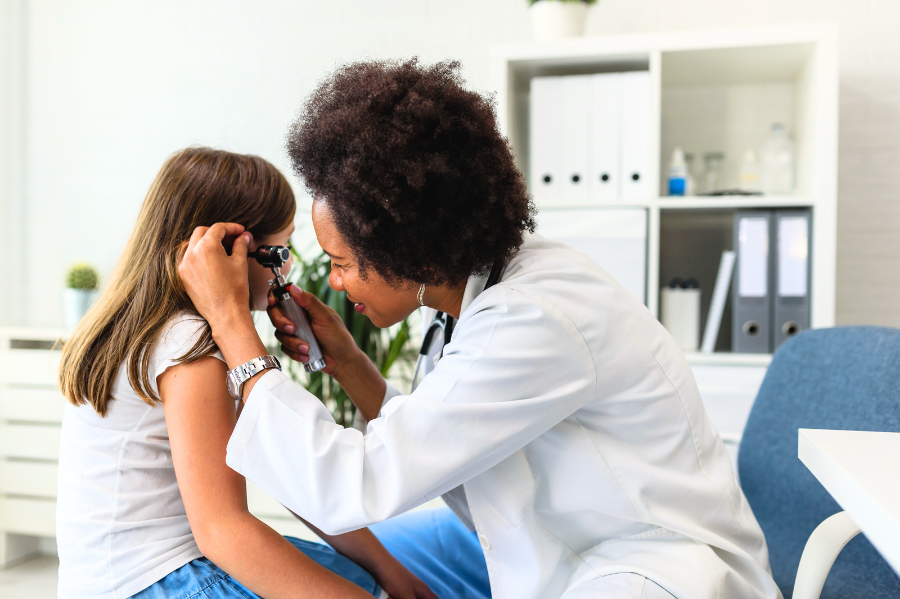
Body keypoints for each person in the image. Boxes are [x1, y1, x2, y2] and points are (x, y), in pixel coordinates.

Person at [178, 60, 783, 599]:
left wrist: (234, 326)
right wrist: (353, 366)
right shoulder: (474, 294)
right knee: (371, 564)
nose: (334, 284)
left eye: (341, 263)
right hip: (555, 542)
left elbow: (354, 482)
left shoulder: (533, 318)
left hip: (651, 568)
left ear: (407, 252)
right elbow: (453, 446)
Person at [56, 147, 436, 599]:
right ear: (225, 252)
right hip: (157, 578)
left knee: (357, 578)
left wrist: (386, 569)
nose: (287, 267)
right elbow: (222, 530)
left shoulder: (153, 329)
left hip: (120, 576)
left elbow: (291, 472)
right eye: (280, 250)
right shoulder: (188, 344)